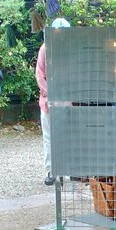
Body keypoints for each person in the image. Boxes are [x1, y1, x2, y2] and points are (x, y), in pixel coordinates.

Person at [35, 17, 71, 186]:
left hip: (65, 100)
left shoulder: (69, 49)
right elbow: (40, 74)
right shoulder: (45, 48)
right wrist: (51, 93)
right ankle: (52, 170)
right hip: (50, 101)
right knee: (50, 137)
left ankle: (66, 169)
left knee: (64, 136)